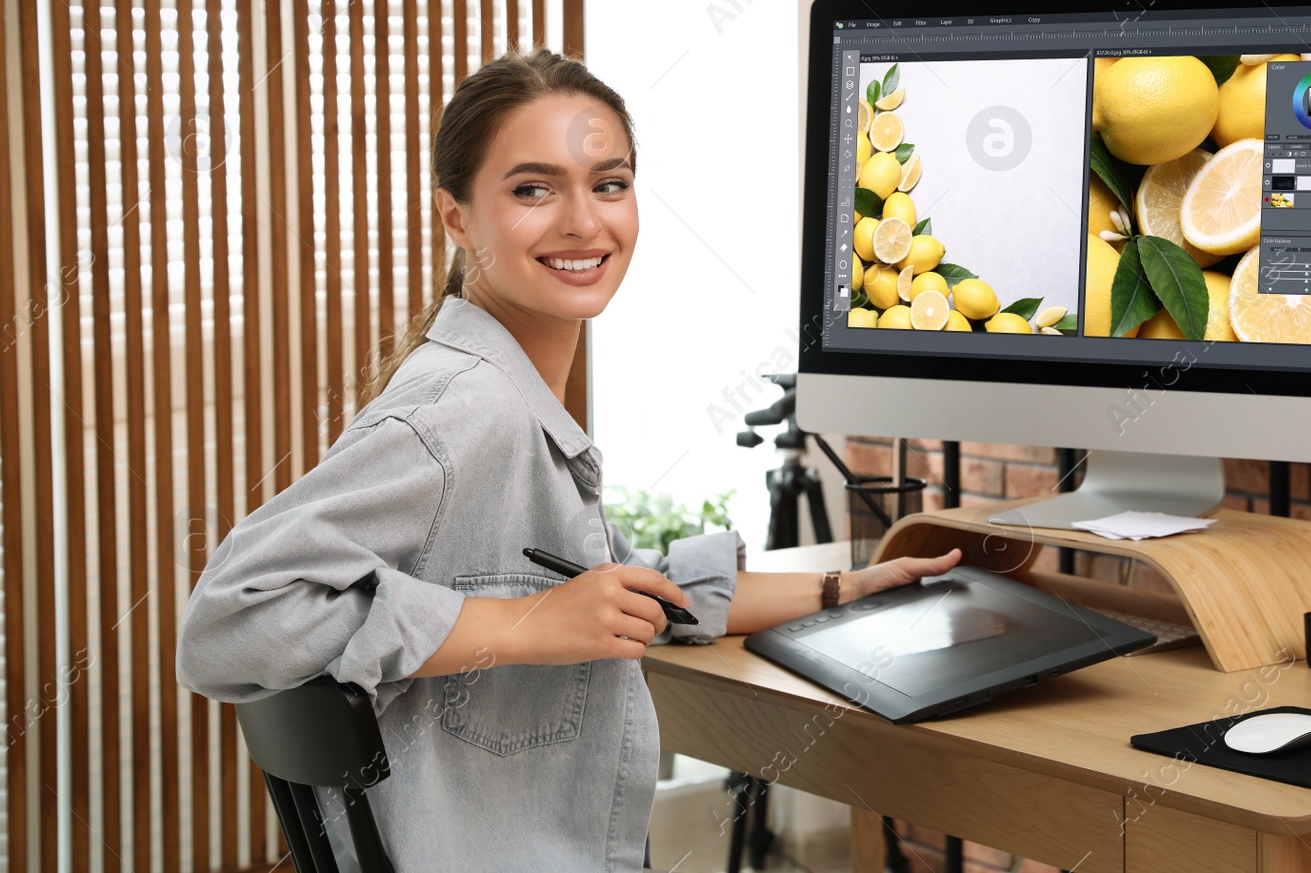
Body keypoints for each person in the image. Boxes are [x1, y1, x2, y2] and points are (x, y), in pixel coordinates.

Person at [175, 48, 961, 872]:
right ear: (456, 216)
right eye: (532, 189)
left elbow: (613, 584)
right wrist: (524, 625)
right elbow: (227, 621)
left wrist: (847, 588)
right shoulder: (467, 410)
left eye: (609, 183)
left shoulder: (509, 397)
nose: (585, 222)